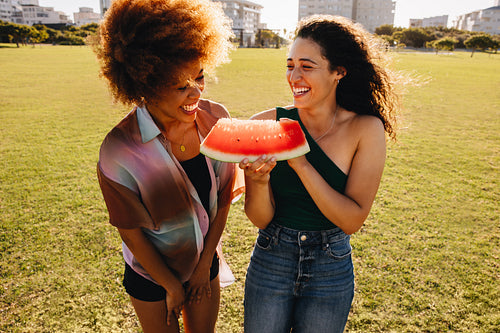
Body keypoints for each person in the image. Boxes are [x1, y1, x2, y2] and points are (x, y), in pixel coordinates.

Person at [240, 15, 400, 333]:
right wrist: (258, 182)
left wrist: (300, 163)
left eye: (307, 66)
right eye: (290, 65)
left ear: (338, 72)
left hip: (331, 264)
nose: (294, 76)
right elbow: (260, 218)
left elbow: (352, 220)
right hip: (272, 256)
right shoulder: (265, 123)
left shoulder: (365, 129)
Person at [93, 0, 240, 332]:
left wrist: (205, 265)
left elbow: (225, 199)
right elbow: (130, 231)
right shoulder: (119, 149)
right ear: (146, 84)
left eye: (200, 77)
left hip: (204, 264)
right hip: (150, 275)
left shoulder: (217, 119)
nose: (195, 92)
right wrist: (170, 285)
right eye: (180, 85)